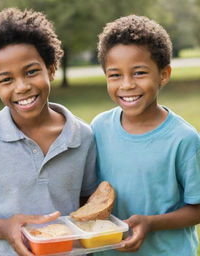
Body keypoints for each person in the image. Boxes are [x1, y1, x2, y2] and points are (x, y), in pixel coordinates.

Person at [0, 8, 97, 256]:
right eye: (6, 79)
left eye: (31, 72)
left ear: (51, 69)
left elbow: (87, 208)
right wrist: (4, 228)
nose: (22, 87)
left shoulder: (82, 137)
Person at [91, 15, 200, 256]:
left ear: (163, 74)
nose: (127, 84)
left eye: (139, 73)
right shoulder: (99, 128)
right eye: (115, 75)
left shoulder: (183, 139)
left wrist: (151, 223)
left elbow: (197, 208)